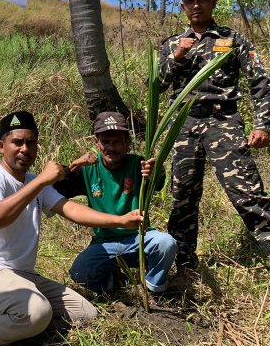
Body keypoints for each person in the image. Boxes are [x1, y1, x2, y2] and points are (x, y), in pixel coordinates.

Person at [0, 110, 144, 346]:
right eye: (17, 142)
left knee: (86, 315)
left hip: (21, 276)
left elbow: (72, 210)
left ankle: (11, 324)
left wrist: (120, 220)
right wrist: (43, 180)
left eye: (31, 142)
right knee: (38, 312)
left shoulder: (35, 182)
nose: (25, 149)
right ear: (1, 146)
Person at [159, 0, 270, 272]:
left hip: (223, 122)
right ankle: (184, 265)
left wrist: (263, 124)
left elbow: (260, 81)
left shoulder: (232, 39)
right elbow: (156, 86)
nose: (196, 5)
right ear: (183, 7)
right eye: (190, 1)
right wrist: (178, 56)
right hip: (184, 125)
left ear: (213, 3)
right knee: (183, 199)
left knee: (246, 192)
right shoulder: (170, 44)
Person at [53, 111, 178, 297]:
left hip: (139, 237)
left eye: (117, 141)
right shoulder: (88, 169)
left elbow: (158, 183)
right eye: (106, 142)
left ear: (127, 143)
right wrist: (73, 166)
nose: (111, 147)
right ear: (97, 143)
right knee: (80, 272)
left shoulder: (138, 164)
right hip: (104, 242)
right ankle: (115, 283)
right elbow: (57, 188)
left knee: (166, 243)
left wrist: (155, 171)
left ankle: (154, 287)